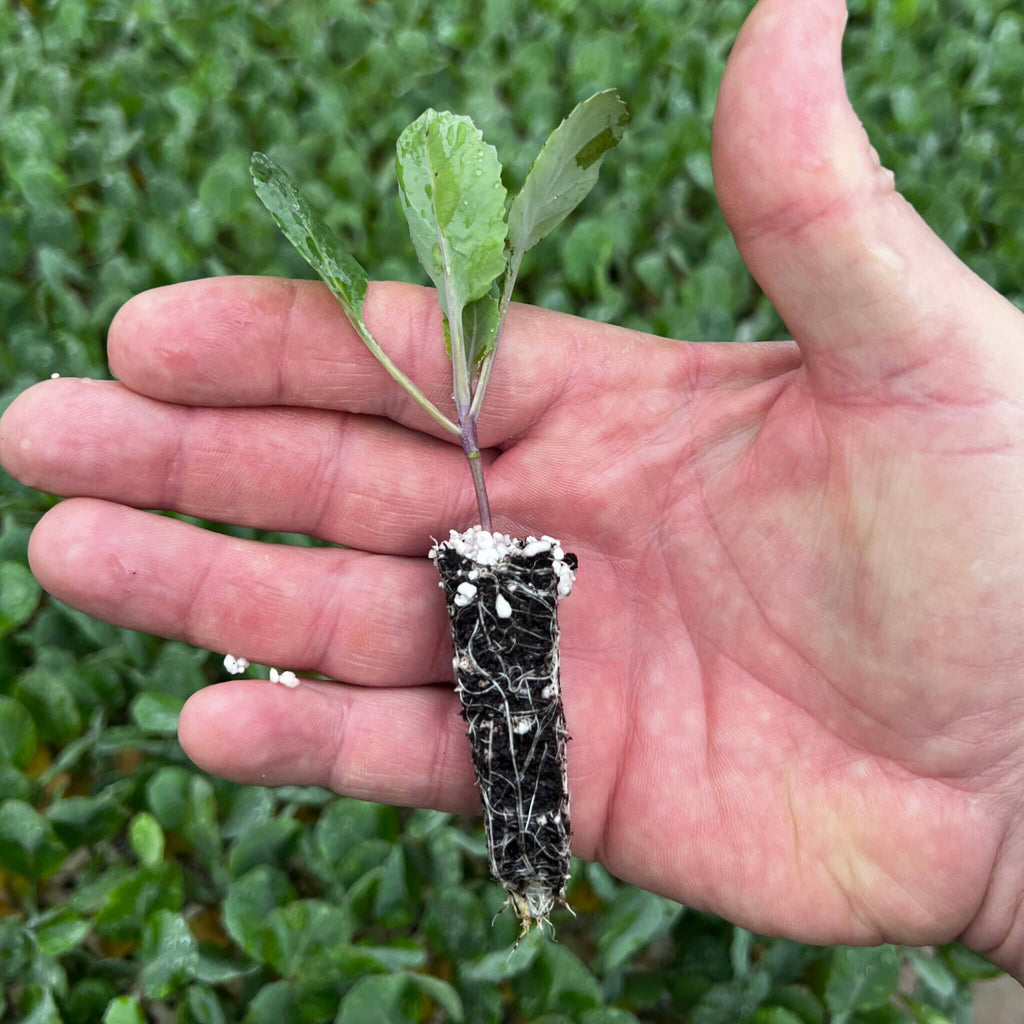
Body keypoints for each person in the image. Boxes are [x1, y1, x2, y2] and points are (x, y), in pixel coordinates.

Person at [3, 0, 1023, 979]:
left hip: (521, 572)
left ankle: (532, 865)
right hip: (503, 569)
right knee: (496, 719)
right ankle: (528, 860)